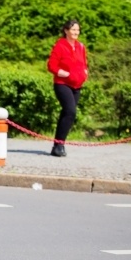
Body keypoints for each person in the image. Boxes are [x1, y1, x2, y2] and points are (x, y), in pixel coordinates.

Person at [47, 19, 88, 157]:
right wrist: (62, 73)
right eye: (73, 30)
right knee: (70, 111)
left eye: (77, 30)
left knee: (66, 114)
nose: (76, 32)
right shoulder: (60, 45)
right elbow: (51, 65)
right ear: (66, 31)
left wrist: (85, 72)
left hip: (77, 85)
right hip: (62, 84)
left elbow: (83, 63)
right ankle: (59, 145)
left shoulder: (81, 46)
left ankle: (58, 145)